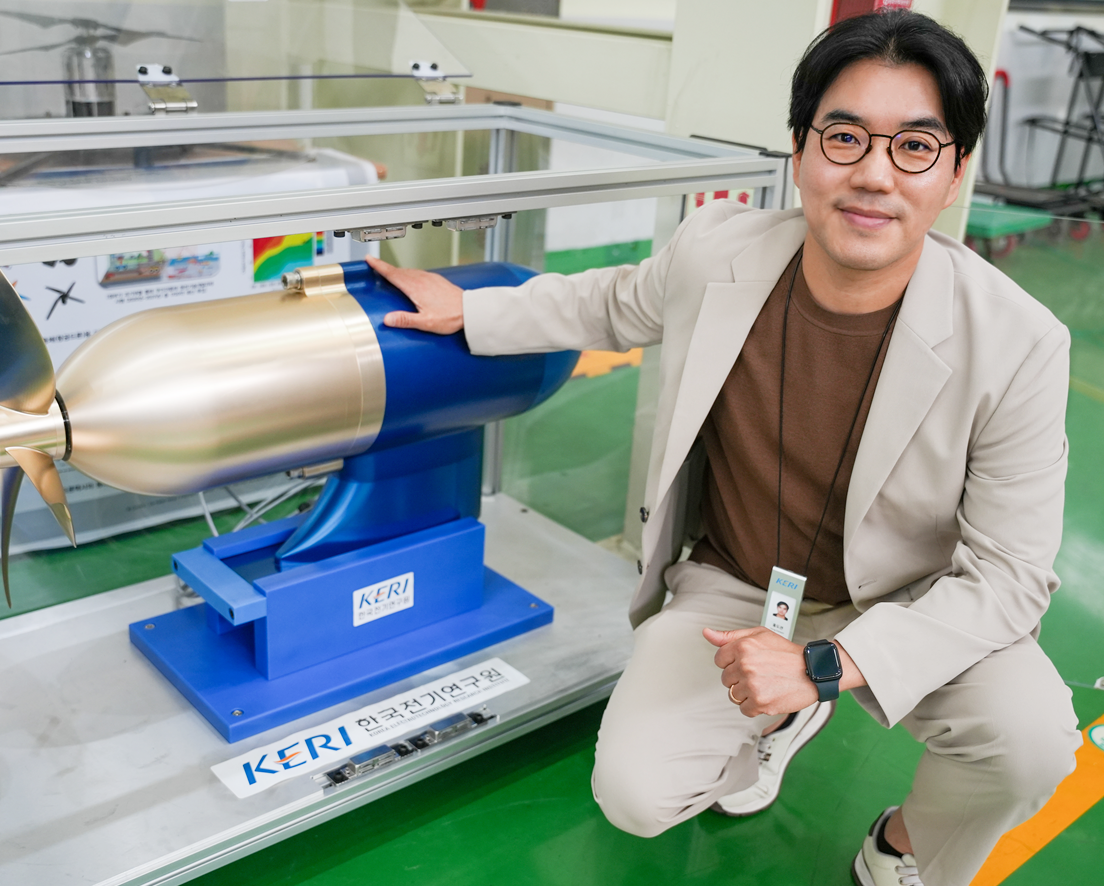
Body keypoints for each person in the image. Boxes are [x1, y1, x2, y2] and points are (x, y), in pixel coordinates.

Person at [365, 10, 1081, 886]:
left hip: (910, 599)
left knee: (1030, 741)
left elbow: (1008, 576)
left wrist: (830, 665)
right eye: (844, 137)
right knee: (636, 795)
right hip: (739, 585)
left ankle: (900, 845)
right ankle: (775, 721)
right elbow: (611, 302)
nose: (873, 175)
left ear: (955, 169)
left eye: (915, 147)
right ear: (799, 147)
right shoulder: (719, 251)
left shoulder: (1018, 342)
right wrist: (472, 310)